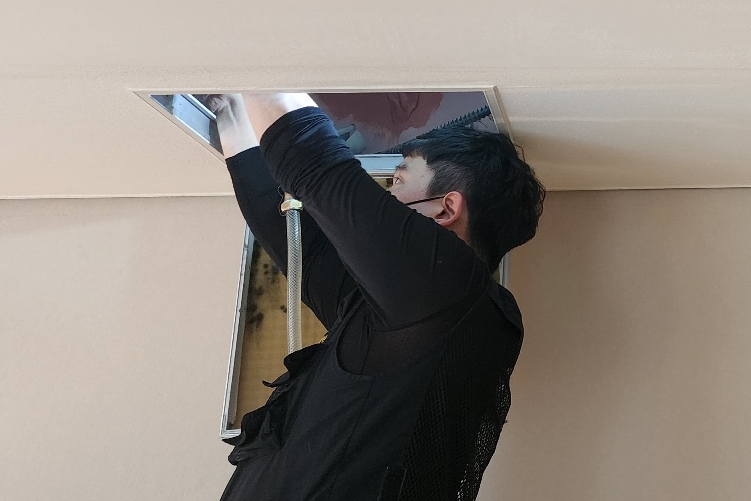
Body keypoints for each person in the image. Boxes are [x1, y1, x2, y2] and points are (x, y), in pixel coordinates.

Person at [204, 93, 544, 501]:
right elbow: (296, 241)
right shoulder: (410, 313)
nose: (384, 199)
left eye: (397, 182)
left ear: (445, 209)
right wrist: (230, 106)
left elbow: (314, 165)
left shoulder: (443, 284)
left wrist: (259, 73)